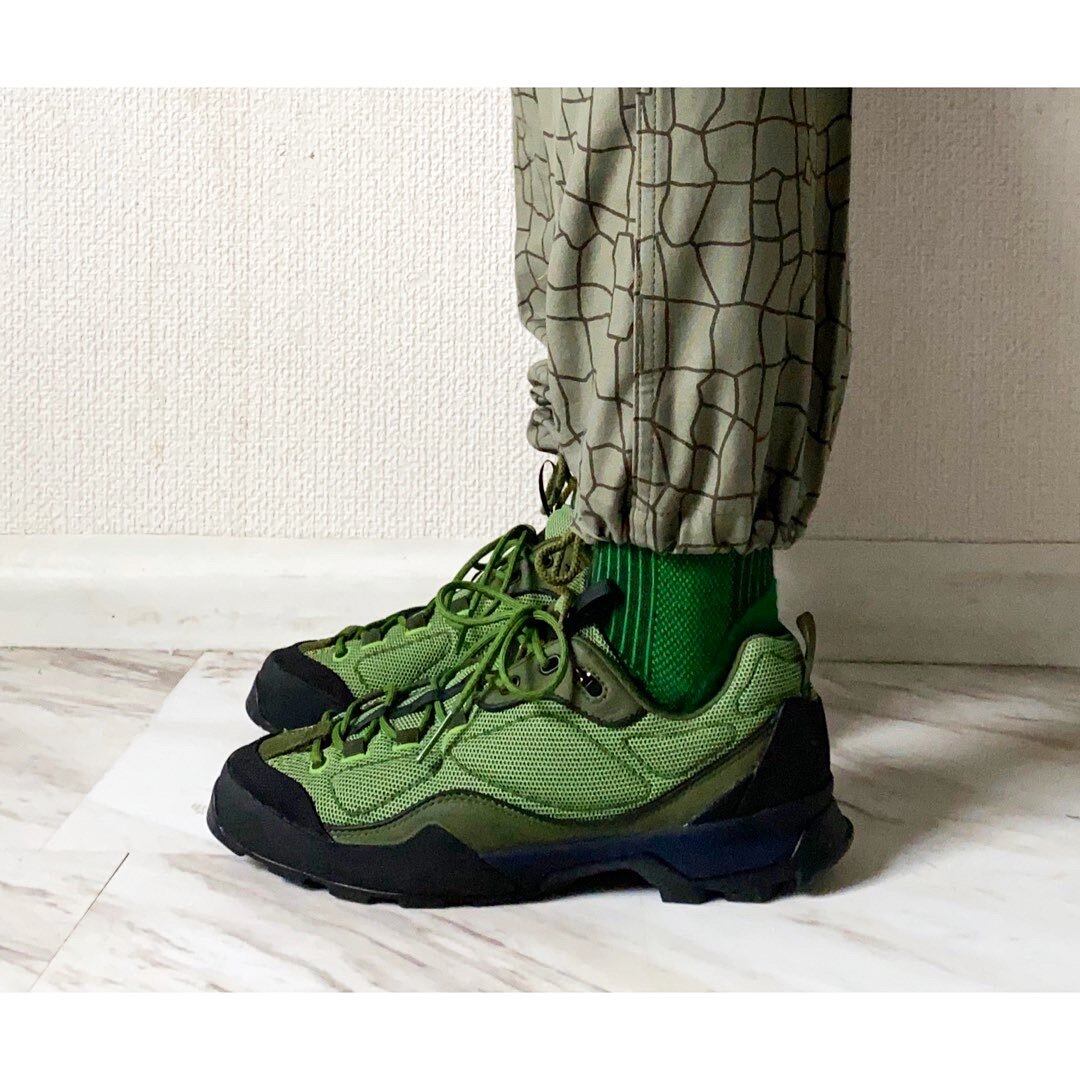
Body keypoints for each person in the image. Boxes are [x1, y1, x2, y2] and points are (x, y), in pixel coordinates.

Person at [208, 87, 854, 906]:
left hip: (673, 605)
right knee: (589, 104)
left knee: (675, 100)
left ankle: (670, 666)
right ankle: (582, 575)